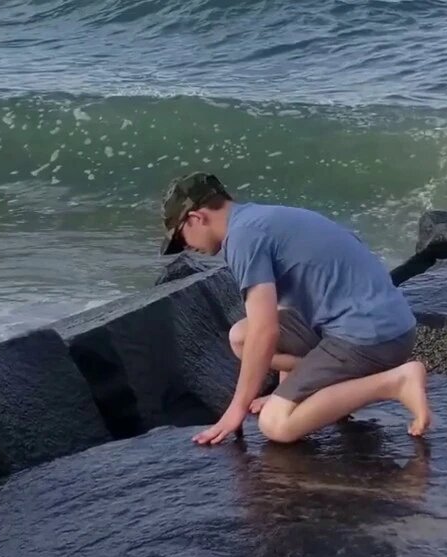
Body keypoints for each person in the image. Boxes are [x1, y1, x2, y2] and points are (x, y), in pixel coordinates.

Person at [159, 172, 432, 445]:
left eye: (182, 240)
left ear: (196, 218)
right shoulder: (260, 218)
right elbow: (283, 313)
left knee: (276, 423)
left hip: (372, 338)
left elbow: (265, 332)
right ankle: (327, 385)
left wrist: (235, 410)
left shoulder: (242, 239)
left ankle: (396, 382)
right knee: (241, 336)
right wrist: (287, 390)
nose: (188, 249)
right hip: (383, 323)